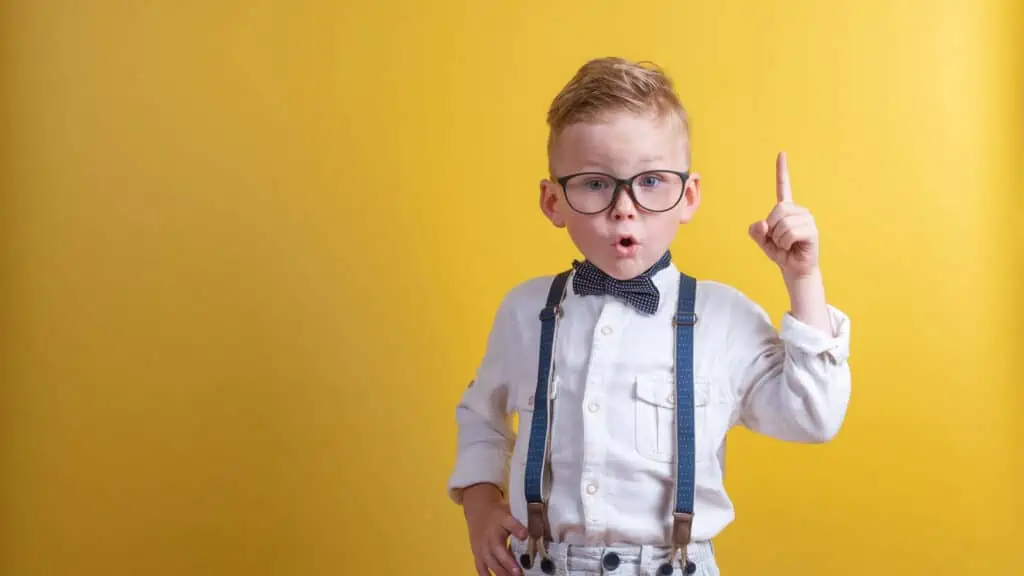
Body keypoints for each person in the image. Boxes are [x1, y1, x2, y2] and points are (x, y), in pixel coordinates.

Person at [446, 56, 852, 576]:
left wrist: (803, 280)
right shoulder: (525, 312)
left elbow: (814, 416)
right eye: (594, 183)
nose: (625, 207)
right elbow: (481, 418)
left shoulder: (722, 318)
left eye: (652, 181)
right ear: (553, 202)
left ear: (689, 196)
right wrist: (480, 507)